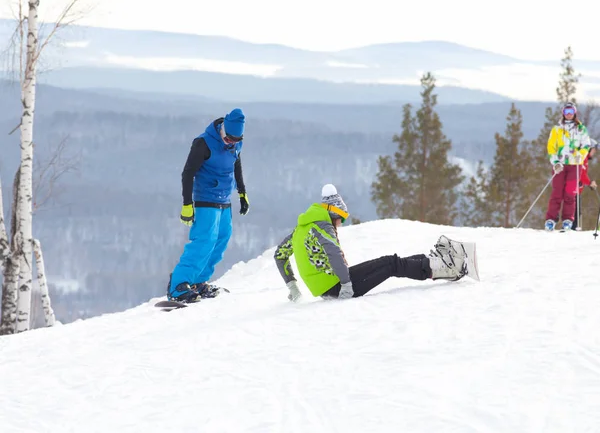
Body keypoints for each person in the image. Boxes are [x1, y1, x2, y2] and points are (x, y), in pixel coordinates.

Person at [273, 184, 474, 302]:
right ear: (333, 213)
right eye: (340, 219)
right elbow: (334, 253)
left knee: (390, 262)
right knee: (391, 264)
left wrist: (293, 287)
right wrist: (346, 284)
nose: (340, 224)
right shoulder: (322, 227)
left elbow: (280, 255)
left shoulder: (300, 229)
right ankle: (443, 268)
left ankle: (432, 262)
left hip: (331, 286)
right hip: (337, 287)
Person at [167, 108, 249, 302]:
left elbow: (236, 165)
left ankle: (198, 282)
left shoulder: (235, 143)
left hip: (224, 200)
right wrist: (187, 204)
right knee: (204, 241)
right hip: (205, 199)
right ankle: (178, 285)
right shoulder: (203, 143)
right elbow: (187, 173)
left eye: (236, 141)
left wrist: (242, 192)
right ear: (223, 129)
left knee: (221, 240)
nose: (232, 143)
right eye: (229, 139)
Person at [545, 102, 591, 231]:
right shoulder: (557, 129)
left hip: (574, 164)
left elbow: (586, 145)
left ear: (575, 112)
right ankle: (551, 219)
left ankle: (567, 220)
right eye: (566, 112)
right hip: (560, 165)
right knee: (557, 192)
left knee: (570, 193)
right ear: (563, 113)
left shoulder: (581, 128)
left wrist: (580, 156)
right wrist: (555, 162)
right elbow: (551, 147)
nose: (569, 114)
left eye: (571, 111)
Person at [573, 139, 598, 230]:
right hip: (573, 189)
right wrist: (590, 182)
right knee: (574, 212)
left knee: (577, 213)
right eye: (594, 150)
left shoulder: (585, 158)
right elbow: (580, 173)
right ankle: (572, 230)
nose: (594, 153)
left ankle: (573, 229)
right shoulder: (582, 157)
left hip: (577, 189)